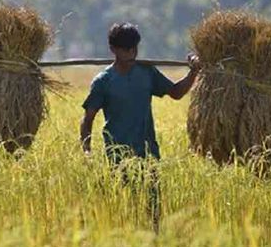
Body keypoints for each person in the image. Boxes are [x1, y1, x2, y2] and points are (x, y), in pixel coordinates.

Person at [79, 22, 200, 232]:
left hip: (148, 153)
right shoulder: (103, 81)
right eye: (126, 48)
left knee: (152, 212)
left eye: (134, 47)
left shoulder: (146, 73)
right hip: (117, 157)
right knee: (124, 211)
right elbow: (88, 118)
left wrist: (193, 72)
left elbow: (175, 92)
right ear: (113, 50)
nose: (132, 52)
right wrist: (86, 149)